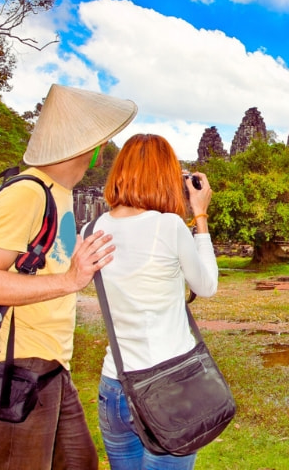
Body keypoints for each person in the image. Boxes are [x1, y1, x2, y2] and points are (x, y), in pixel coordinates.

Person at [0, 84, 138, 470]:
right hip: (14, 367)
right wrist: (69, 280)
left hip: (51, 364)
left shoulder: (60, 195)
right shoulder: (27, 192)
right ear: (89, 149)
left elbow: (46, 265)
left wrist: (77, 269)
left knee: (79, 463)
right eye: (102, 142)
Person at [91, 134, 218, 470]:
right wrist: (200, 216)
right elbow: (206, 285)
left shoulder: (94, 226)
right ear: (166, 176)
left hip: (115, 384)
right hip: (168, 386)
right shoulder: (169, 225)